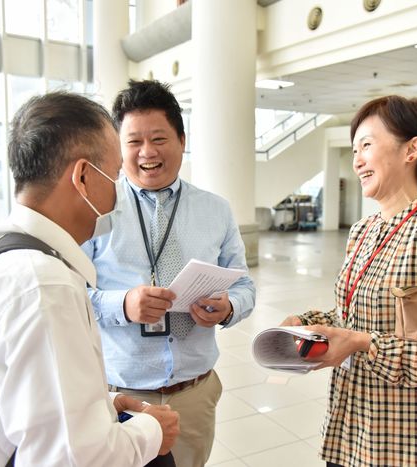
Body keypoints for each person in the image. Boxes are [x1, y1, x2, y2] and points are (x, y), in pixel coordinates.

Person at [0, 91, 180, 467]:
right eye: (115, 176)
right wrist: (153, 431)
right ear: (84, 177)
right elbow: (75, 459)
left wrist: (101, 406)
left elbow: (23, 403)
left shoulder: (0, 256)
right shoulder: (44, 287)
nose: (118, 193)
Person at [280, 95, 417, 466]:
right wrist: (308, 324)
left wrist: (363, 344)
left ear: (412, 149)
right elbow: (354, 315)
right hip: (347, 430)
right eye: (354, 148)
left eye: (367, 145)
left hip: (398, 441)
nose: (356, 160)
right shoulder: (362, 230)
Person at [82, 80, 256, 467]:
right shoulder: (95, 209)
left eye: (159, 138)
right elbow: (72, 294)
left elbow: (244, 284)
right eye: (134, 142)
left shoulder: (216, 210)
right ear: (118, 147)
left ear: (181, 139)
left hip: (192, 394)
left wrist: (228, 307)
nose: (147, 153)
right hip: (121, 393)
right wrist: (123, 304)